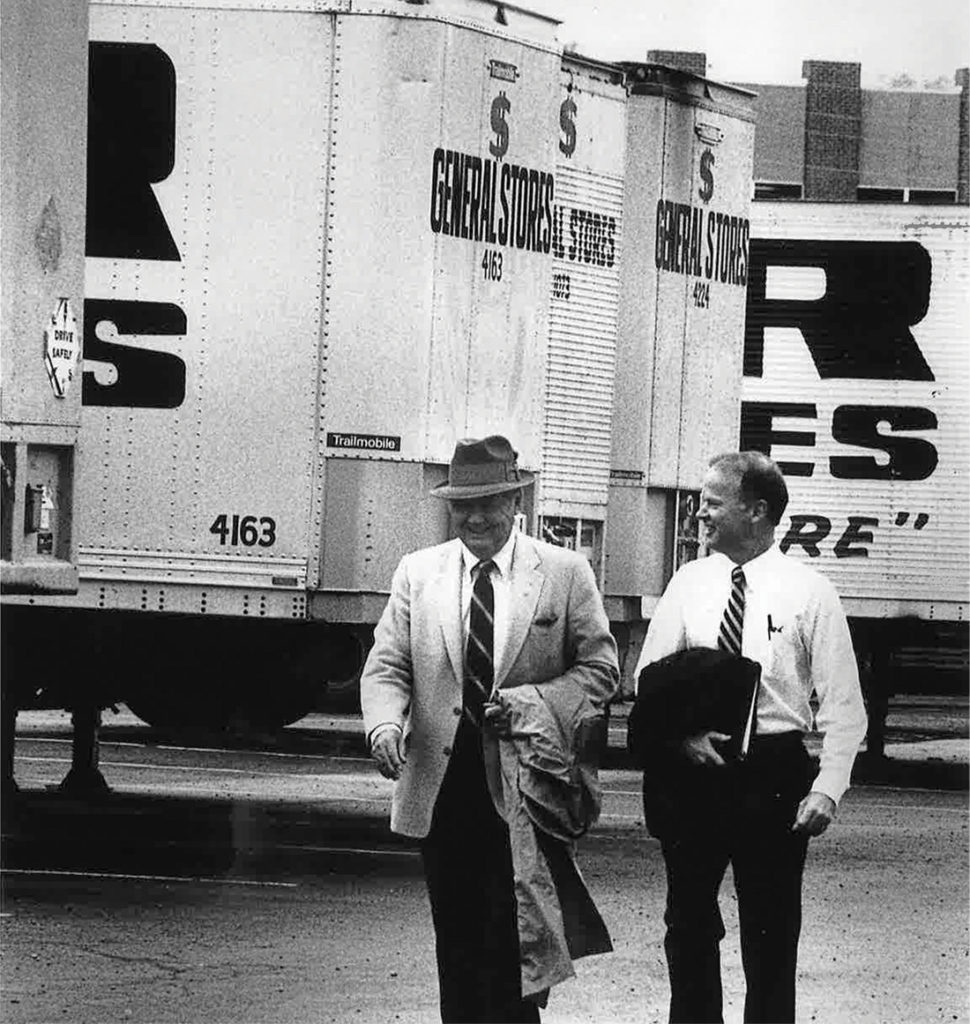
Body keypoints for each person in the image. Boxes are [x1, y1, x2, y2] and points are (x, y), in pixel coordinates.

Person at [360, 435, 618, 1024]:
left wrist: (531, 704)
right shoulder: (418, 572)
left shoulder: (564, 573)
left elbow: (601, 670)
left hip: (526, 790)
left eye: (488, 504)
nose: (474, 518)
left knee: (516, 947)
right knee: (456, 948)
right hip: (441, 791)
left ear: (516, 500)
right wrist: (384, 725)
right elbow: (388, 664)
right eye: (462, 506)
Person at [633, 450, 867, 1024]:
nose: (699, 515)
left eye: (712, 503)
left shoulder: (810, 593)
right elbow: (648, 682)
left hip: (773, 774)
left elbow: (844, 705)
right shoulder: (688, 583)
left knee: (771, 933)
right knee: (687, 925)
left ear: (757, 510)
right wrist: (680, 740)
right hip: (694, 773)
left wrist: (828, 789)